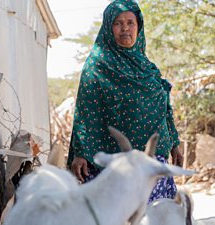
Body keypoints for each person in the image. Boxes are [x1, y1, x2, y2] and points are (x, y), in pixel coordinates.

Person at [67, 0, 183, 203]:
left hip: (153, 162)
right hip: (114, 164)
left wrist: (174, 142)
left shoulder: (148, 68)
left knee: (156, 217)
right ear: (108, 28)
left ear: (139, 27)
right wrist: (81, 152)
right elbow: (86, 112)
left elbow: (165, 109)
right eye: (118, 23)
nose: (125, 28)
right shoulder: (97, 65)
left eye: (130, 23)